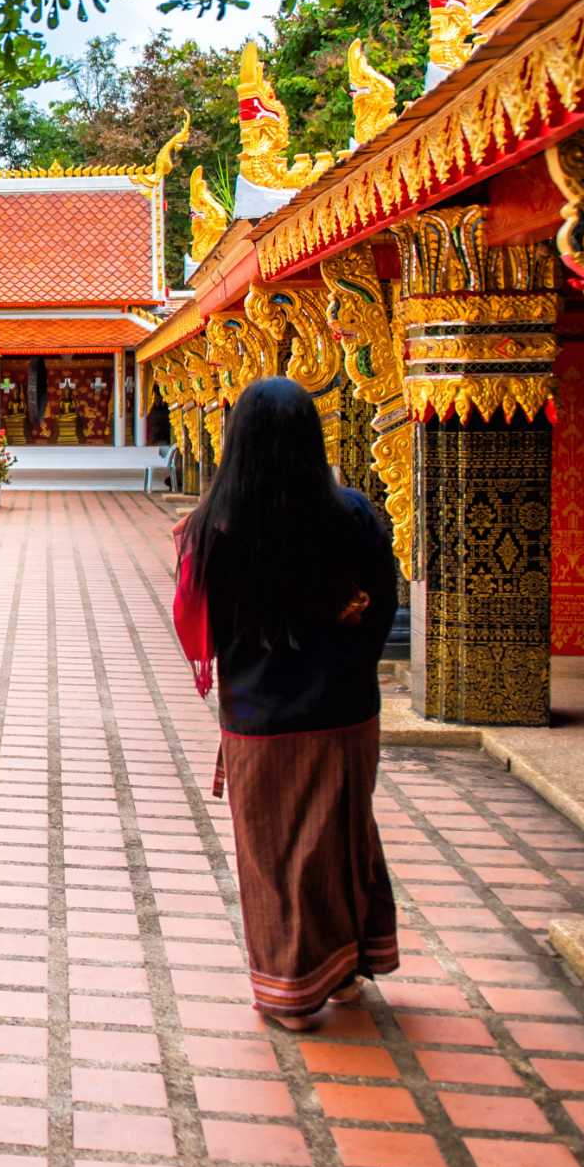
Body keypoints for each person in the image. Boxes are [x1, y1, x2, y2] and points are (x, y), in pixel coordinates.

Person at [171, 376, 400, 1031]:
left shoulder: (212, 528)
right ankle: (350, 964)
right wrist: (344, 638)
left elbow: (202, 624)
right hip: (344, 709)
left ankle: (289, 989)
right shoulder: (353, 515)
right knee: (341, 837)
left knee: (273, 856)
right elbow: (381, 607)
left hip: (259, 717)